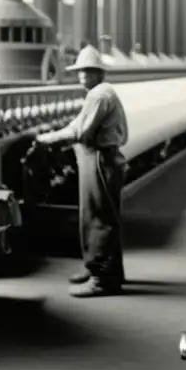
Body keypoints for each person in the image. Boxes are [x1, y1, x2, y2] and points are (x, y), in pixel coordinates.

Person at [33, 45, 128, 298]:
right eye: (79, 72)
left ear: (98, 73)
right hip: (98, 158)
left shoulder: (98, 96)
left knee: (98, 218)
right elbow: (77, 124)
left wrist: (45, 140)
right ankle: (107, 271)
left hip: (98, 159)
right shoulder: (100, 93)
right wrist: (52, 135)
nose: (81, 76)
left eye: (86, 72)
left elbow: (80, 132)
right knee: (105, 216)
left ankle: (102, 279)